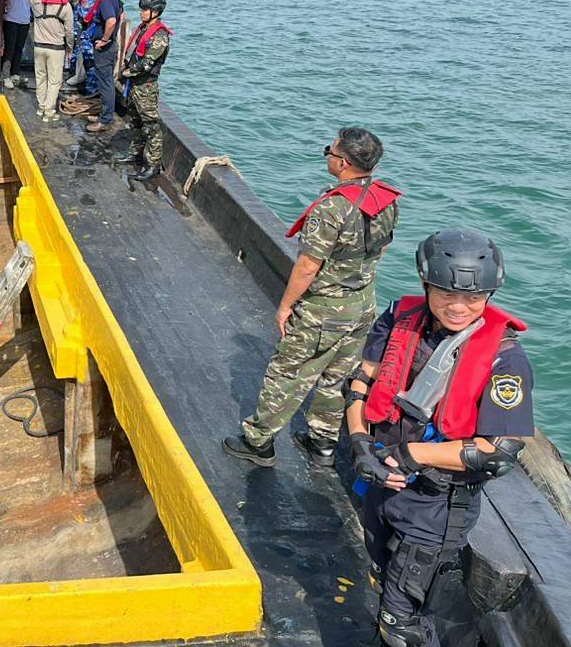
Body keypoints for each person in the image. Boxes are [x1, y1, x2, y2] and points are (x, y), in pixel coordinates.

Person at [347, 230, 533, 647]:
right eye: (447, 294)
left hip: (436, 506)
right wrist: (360, 444)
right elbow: (359, 384)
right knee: (380, 573)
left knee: (401, 622)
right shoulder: (399, 320)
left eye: (474, 297)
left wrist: (413, 455)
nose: (460, 307)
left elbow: (499, 453)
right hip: (379, 481)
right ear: (426, 285)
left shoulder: (506, 359)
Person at [224, 127, 401, 467]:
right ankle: (322, 442)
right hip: (363, 304)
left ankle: (258, 441)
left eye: (330, 153)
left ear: (344, 164)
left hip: (324, 309)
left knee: (287, 371)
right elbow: (382, 248)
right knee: (338, 374)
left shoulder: (332, 209)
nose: (328, 157)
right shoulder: (386, 200)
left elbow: (307, 265)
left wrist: (286, 306)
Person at [113, 0, 172, 181]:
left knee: (151, 126)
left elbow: (147, 64)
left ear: (155, 12)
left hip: (146, 86)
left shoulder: (160, 36)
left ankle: (153, 164)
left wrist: (125, 73)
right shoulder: (142, 29)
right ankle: (135, 153)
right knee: (136, 121)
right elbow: (132, 55)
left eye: (145, 10)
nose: (141, 13)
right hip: (134, 85)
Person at [19, 0, 74, 121]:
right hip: (56, 49)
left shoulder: (37, 0)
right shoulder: (66, 7)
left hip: (38, 47)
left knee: (40, 77)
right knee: (54, 81)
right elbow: (69, 32)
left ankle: (41, 107)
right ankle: (49, 111)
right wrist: (70, 47)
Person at [82, 0, 123, 134]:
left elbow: (111, 21)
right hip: (109, 47)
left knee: (105, 83)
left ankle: (105, 120)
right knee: (105, 82)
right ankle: (104, 114)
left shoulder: (106, 0)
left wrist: (104, 40)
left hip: (105, 49)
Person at [0, 0, 32, 89]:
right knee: (10, 48)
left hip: (25, 19)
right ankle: (5, 75)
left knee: (19, 48)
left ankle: (15, 73)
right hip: (11, 19)